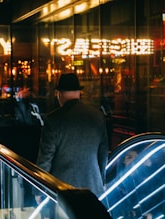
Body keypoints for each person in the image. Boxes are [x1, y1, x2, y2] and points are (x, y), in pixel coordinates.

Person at [35, 73, 110, 216]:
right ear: (79, 93)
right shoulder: (97, 116)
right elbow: (103, 153)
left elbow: (45, 159)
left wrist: (39, 190)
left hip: (62, 190)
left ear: (59, 94)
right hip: (92, 188)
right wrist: (100, 181)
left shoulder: (53, 119)